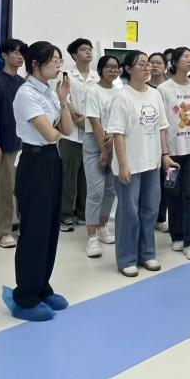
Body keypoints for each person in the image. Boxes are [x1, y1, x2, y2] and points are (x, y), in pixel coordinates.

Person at [3, 41, 74, 322]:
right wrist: (56, 127)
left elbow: (67, 128)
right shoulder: (26, 93)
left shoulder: (50, 91)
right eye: (53, 60)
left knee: (50, 227)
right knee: (34, 230)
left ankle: (43, 287)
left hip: (52, 160)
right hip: (33, 161)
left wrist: (64, 101)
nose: (58, 65)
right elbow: (50, 134)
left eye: (59, 60)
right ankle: (25, 296)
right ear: (35, 63)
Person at [108, 51, 176, 277]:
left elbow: (161, 128)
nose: (148, 67)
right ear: (128, 69)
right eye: (142, 64)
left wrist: (165, 154)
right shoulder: (122, 96)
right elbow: (117, 133)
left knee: (150, 210)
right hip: (130, 164)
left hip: (151, 162)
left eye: (149, 64)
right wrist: (123, 164)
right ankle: (127, 258)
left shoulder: (155, 95)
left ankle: (147, 254)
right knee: (129, 213)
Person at [157, 47, 190, 260]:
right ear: (176, 62)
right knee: (172, 191)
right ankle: (177, 235)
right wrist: (164, 151)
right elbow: (161, 124)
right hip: (172, 152)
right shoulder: (163, 89)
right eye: (186, 57)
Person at [0, 38, 27, 248]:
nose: (20, 56)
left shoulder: (23, 83)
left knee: (23, 189)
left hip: (23, 144)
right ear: (4, 55)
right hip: (4, 145)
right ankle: (3, 231)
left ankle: (24, 227)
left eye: (22, 53)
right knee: (4, 190)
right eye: (16, 52)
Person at [81, 55, 120, 258]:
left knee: (111, 190)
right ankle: (92, 236)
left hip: (115, 141)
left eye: (116, 67)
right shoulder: (93, 90)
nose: (113, 70)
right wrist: (104, 150)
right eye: (109, 67)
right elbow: (95, 121)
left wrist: (112, 143)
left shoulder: (120, 92)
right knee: (95, 191)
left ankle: (103, 226)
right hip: (95, 142)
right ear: (100, 70)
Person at [59, 38, 98, 232]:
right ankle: (65, 215)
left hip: (92, 132)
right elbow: (64, 100)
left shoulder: (97, 77)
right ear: (74, 55)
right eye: (84, 49)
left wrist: (90, 121)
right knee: (68, 177)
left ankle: (83, 213)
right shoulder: (66, 75)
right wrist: (77, 118)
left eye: (90, 49)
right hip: (71, 134)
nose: (88, 52)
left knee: (88, 176)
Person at [148, 51, 170, 231]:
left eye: (159, 63)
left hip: (171, 142)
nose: (155, 66)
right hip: (150, 141)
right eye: (152, 63)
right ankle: (153, 216)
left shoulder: (171, 87)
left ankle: (162, 217)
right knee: (153, 183)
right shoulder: (143, 87)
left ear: (165, 67)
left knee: (169, 181)